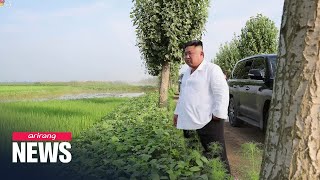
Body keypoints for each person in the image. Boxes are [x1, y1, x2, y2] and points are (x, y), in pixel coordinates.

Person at [173, 40, 231, 173]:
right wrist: (177, 113)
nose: (187, 57)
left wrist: (218, 114)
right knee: (194, 154)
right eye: (185, 54)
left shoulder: (212, 69)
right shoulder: (187, 73)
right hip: (188, 121)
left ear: (201, 54)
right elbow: (183, 96)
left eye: (190, 53)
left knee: (216, 155)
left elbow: (222, 92)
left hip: (208, 121)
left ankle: (224, 177)